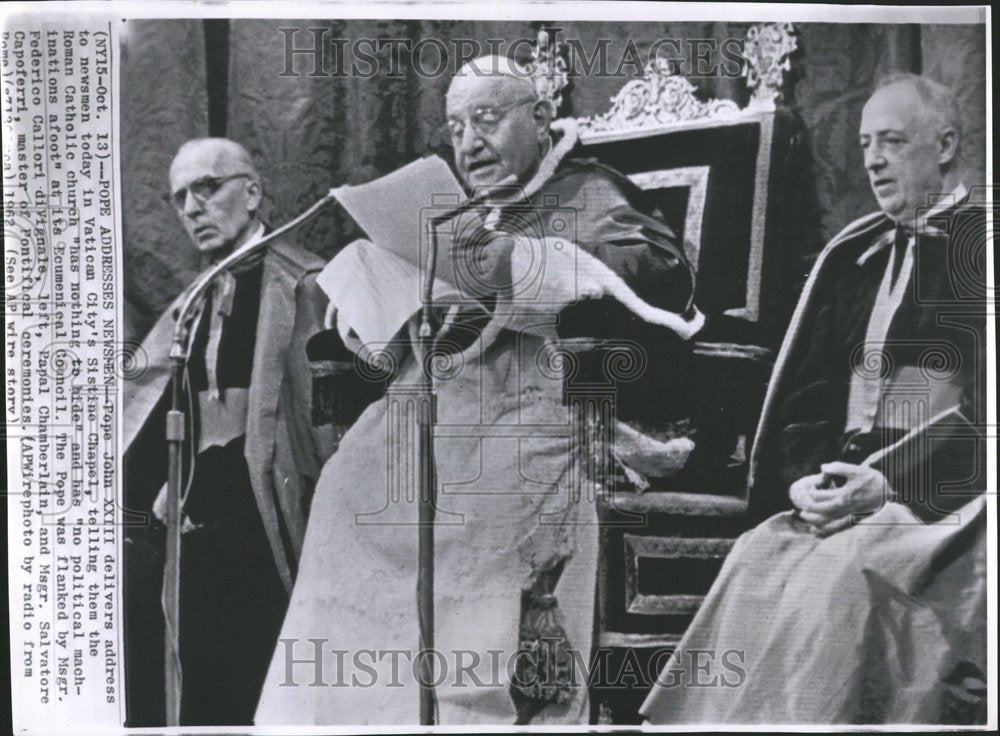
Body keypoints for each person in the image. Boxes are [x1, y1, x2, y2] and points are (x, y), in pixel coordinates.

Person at [254, 56, 703, 725]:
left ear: (542, 118)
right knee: (349, 486)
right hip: (440, 400)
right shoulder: (464, 212)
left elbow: (662, 277)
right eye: (457, 126)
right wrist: (383, 308)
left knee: (472, 503)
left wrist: (521, 265)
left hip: (548, 407)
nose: (467, 142)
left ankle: (465, 714)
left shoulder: (593, 192)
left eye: (487, 120)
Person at [641, 74, 987, 725]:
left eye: (892, 141)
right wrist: (802, 482)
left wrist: (888, 484)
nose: (874, 160)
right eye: (864, 144)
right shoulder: (851, 255)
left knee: (845, 574)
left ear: (944, 145)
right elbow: (805, 400)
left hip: (949, 499)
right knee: (757, 558)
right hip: (841, 493)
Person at [123, 138, 334, 726]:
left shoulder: (305, 284)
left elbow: (325, 428)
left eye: (207, 188)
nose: (192, 207)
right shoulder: (194, 300)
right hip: (200, 529)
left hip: (275, 528)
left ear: (252, 192)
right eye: (180, 197)